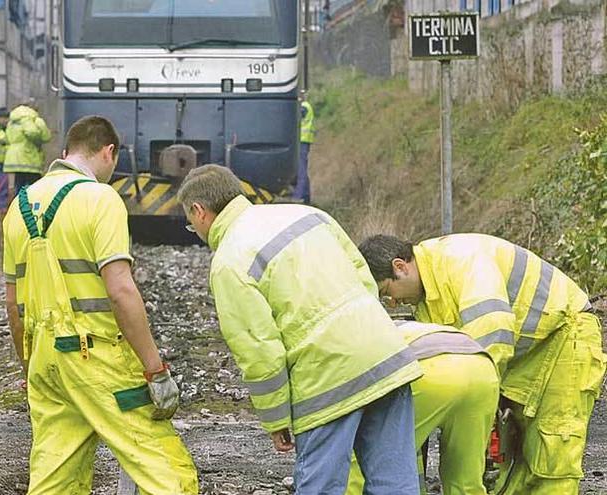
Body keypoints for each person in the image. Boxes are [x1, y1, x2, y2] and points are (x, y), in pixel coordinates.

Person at [176, 164, 422, 494]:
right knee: (395, 484)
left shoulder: (229, 261)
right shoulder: (307, 215)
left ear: (199, 211)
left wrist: (276, 418)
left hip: (326, 378)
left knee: (320, 486)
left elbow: (259, 349)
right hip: (386, 356)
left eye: (192, 225)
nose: (196, 230)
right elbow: (364, 279)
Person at [2, 116, 198, 494]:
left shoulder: (18, 207)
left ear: (64, 154)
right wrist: (155, 369)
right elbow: (120, 291)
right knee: (168, 471)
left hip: (45, 362)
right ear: (109, 152)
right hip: (97, 361)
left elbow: (13, 305)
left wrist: (29, 368)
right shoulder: (101, 199)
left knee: (56, 478)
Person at [357, 233, 606, 495]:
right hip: (521, 356)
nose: (393, 303)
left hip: (565, 337)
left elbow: (492, 333)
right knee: (510, 464)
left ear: (400, 266)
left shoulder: (460, 258)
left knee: (553, 452)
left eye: (387, 292)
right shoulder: (426, 298)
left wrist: (483, 409)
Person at [346, 320, 500, 495]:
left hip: (426, 370)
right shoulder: (383, 326)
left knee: (367, 460)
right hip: (481, 369)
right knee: (466, 482)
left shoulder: (347, 344)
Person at [3, 101, 51, 197]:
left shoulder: (12, 120)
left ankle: (18, 208)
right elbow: (44, 136)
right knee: (34, 189)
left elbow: (7, 138)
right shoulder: (32, 119)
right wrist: (37, 141)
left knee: (19, 187)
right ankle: (32, 209)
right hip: (28, 157)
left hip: (13, 158)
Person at [293, 97, 315, 204]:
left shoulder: (304, 107)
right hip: (303, 141)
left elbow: (297, 115)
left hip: (302, 141)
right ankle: (306, 196)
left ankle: (297, 196)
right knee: (303, 170)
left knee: (301, 170)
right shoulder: (305, 106)